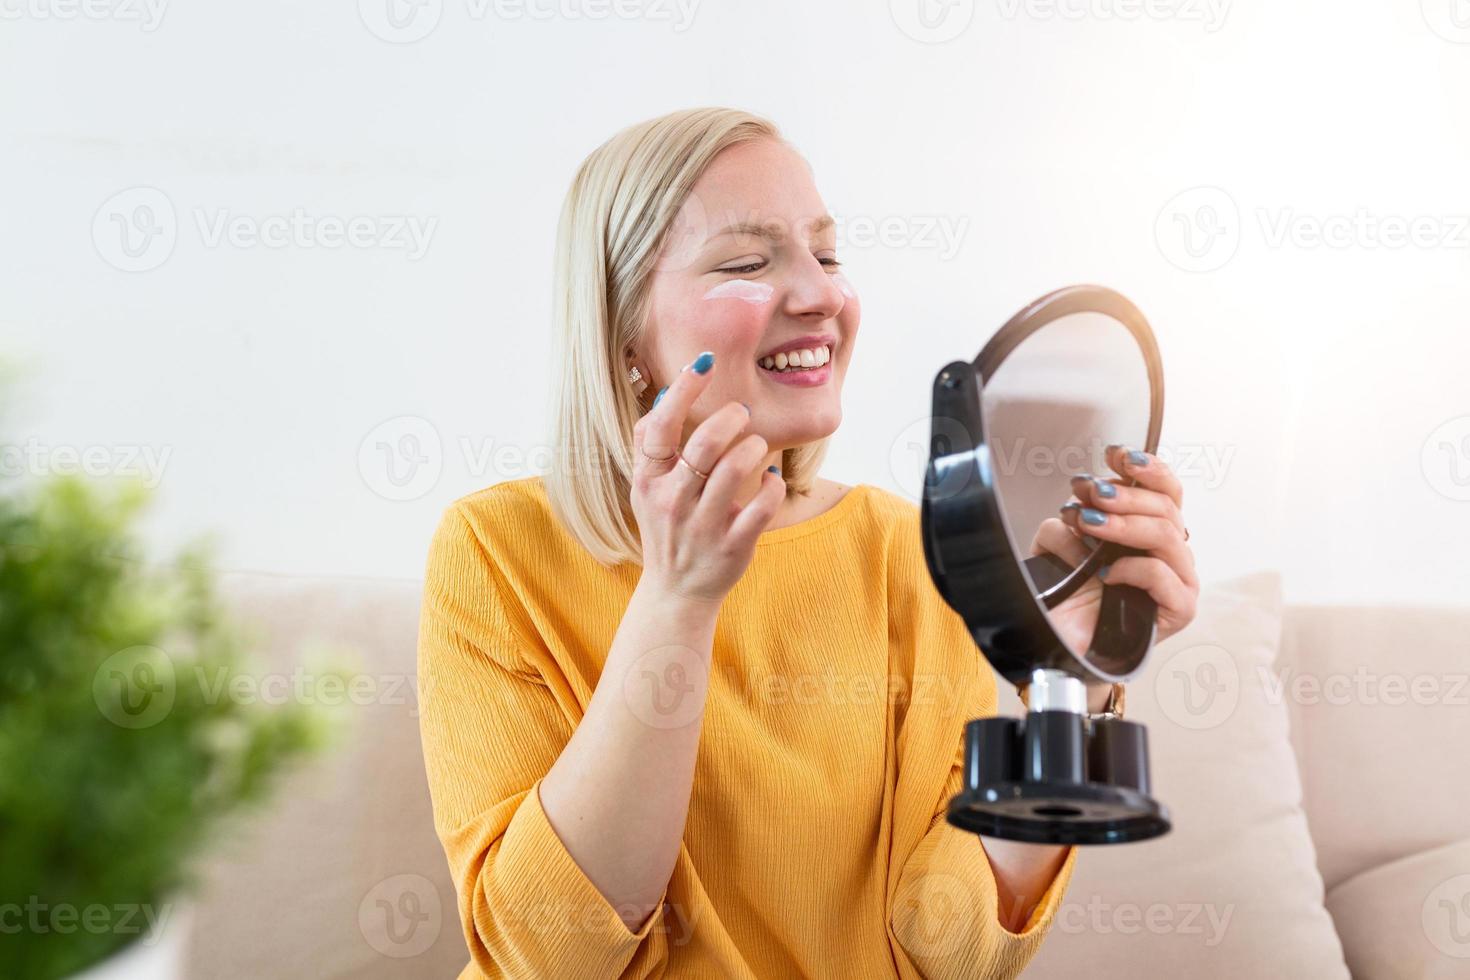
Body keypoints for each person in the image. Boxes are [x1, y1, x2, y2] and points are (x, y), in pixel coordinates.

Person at [416, 106, 1199, 979]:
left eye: (828, 256)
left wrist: (1071, 686)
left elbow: (954, 953)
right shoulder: (496, 551)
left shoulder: (909, 553)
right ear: (626, 332)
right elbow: (550, 954)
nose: (822, 294)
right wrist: (677, 601)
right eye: (749, 261)